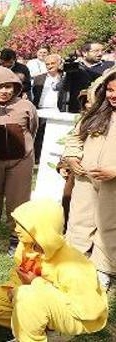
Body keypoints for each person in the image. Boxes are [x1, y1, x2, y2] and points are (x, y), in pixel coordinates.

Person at [0, 200, 108, 342]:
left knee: (26, 295)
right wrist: (16, 289)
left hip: (78, 316)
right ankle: (34, 324)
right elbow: (18, 274)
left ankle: (49, 333)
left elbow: (89, 311)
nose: (16, 228)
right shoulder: (26, 246)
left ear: (41, 229)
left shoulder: (72, 264)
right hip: (34, 300)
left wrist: (35, 283)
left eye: (22, 225)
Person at [62, 67, 116, 288]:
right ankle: (73, 263)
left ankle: (104, 270)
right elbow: (75, 139)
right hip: (85, 180)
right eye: (110, 90)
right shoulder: (95, 114)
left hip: (113, 184)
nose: (113, 95)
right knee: (79, 221)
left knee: (108, 225)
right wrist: (73, 158)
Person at [0, 67, 38, 256]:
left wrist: (24, 148)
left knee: (18, 197)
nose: (4, 91)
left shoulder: (26, 106)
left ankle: (16, 234)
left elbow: (33, 128)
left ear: (16, 88)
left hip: (21, 159)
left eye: (8, 87)